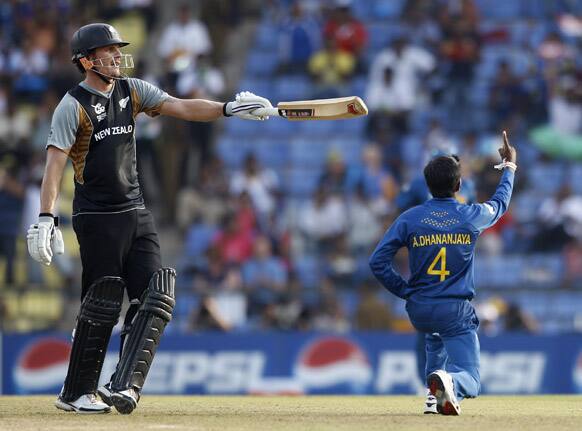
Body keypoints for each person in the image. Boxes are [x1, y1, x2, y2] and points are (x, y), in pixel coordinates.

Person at [25, 23, 273, 415]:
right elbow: (54, 166)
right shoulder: (72, 105)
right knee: (102, 304)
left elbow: (183, 106)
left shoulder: (133, 90)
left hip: (136, 210)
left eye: (117, 49)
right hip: (97, 216)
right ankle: (75, 392)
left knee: (156, 295)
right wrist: (45, 217)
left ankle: (124, 386)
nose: (116, 56)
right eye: (107, 51)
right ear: (87, 61)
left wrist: (228, 108)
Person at [369, 131, 517, 415]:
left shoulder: (409, 218)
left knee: (434, 337)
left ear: (426, 184)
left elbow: (377, 262)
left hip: (420, 310)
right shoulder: (470, 215)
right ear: (459, 184)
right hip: (454, 310)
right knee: (472, 380)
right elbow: (500, 204)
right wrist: (509, 167)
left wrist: (406, 291)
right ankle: (452, 382)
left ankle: (433, 396)